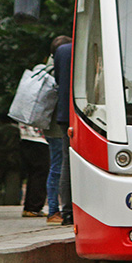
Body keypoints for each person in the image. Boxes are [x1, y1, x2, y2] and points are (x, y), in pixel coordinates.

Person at [45, 36, 71, 224]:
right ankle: (56, 209)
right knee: (60, 165)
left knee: (61, 165)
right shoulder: (72, 52)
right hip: (61, 120)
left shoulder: (58, 58)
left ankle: (62, 210)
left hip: (59, 119)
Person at [55, 37, 74, 225]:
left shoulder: (61, 51)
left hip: (64, 113)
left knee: (66, 162)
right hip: (86, 113)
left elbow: (57, 80)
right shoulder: (82, 47)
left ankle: (67, 211)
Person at [19, 122, 49, 217]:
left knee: (33, 172)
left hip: (25, 134)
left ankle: (29, 207)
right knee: (40, 172)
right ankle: (34, 207)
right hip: (39, 137)